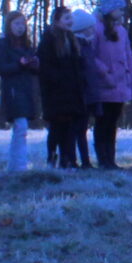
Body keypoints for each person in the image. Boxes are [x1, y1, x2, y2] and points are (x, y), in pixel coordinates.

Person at [86, 0, 132, 169]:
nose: (122, 12)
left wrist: (131, 80)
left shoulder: (121, 31)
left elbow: (128, 55)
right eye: (119, 8)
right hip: (103, 85)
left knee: (113, 123)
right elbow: (91, 56)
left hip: (120, 85)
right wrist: (105, 73)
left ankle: (111, 158)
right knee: (102, 123)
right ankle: (103, 158)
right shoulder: (96, 29)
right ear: (110, 9)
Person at [40, 9, 90, 170]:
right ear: (57, 20)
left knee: (70, 128)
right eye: (66, 18)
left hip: (73, 93)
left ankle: (67, 160)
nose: (70, 21)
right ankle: (52, 159)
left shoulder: (71, 39)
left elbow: (78, 65)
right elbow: (45, 68)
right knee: (56, 128)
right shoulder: (48, 40)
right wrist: (60, 81)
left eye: (71, 18)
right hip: (56, 94)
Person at [0, 10, 41, 176]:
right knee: (20, 127)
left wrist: (34, 65)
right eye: (17, 24)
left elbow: (36, 69)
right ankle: (18, 165)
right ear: (9, 25)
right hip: (12, 90)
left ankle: (15, 165)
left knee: (22, 129)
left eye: (23, 24)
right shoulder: (2, 44)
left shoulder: (27, 45)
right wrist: (19, 64)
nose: (20, 28)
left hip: (27, 90)